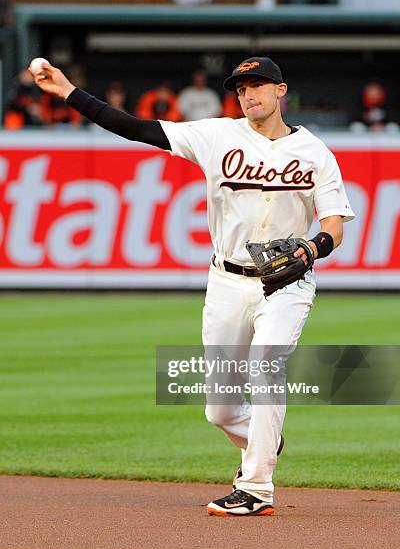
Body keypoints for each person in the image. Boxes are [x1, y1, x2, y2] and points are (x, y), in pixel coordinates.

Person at [30, 56, 354, 517]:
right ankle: (265, 438)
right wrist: (68, 92)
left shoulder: (316, 152)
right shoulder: (216, 135)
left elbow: (335, 225)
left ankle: (256, 487)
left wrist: (313, 247)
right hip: (226, 280)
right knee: (219, 410)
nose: (247, 95)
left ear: (281, 91)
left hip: (286, 283)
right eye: (240, 88)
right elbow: (133, 127)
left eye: (257, 86)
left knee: (267, 371)